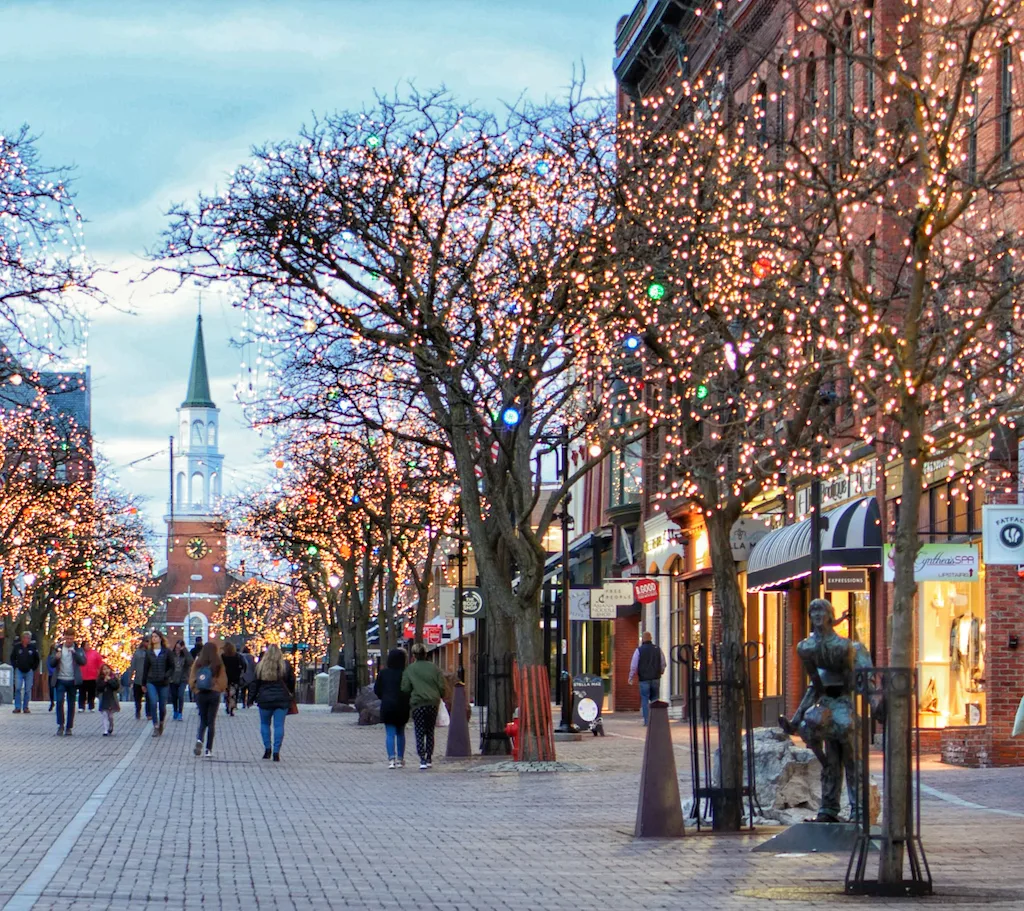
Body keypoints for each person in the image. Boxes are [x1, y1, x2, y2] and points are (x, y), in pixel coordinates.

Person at [780, 598, 872, 823]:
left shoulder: (848, 647)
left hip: (844, 704)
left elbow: (861, 682)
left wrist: (873, 701)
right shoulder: (809, 648)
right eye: (813, 612)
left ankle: (859, 809)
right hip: (827, 705)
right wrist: (796, 718)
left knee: (852, 759)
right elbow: (815, 687)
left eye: (821, 611)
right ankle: (829, 808)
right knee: (830, 760)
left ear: (831, 615)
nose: (817, 615)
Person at [401, 643, 446, 770]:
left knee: (419, 731)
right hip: (432, 703)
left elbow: (405, 688)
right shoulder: (434, 668)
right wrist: (440, 695)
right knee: (430, 731)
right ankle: (429, 757)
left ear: (414, 655)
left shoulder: (410, 669)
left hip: (418, 703)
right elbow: (442, 686)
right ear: (426, 654)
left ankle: (422, 759)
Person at [251, 644, 295, 762]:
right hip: (281, 700)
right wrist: (290, 693)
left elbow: (255, 684)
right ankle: (276, 752)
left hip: (265, 699)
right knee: (279, 725)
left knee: (265, 724)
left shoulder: (261, 666)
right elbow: (291, 681)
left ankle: (267, 749)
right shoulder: (285, 666)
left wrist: (251, 698)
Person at [374, 647, 411, 769]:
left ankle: (391, 759)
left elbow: (377, 689)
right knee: (401, 733)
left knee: (390, 733)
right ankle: (400, 759)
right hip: (402, 706)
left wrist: (383, 697)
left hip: (388, 706)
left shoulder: (383, 673)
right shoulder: (405, 673)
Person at [189, 641, 227, 757]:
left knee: (203, 719)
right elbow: (223, 679)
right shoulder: (218, 662)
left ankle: (200, 739)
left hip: (201, 693)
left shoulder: (198, 662)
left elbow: (192, 677)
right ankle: (208, 749)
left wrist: (195, 689)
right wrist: (218, 688)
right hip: (213, 694)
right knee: (211, 722)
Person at [48, 632, 85, 736]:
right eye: (67, 638)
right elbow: (51, 663)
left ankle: (69, 727)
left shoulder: (77, 649)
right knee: (59, 702)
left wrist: (75, 654)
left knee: (71, 704)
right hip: (60, 679)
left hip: (72, 680)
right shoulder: (58, 649)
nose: (69, 641)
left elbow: (83, 662)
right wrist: (56, 658)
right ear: (64, 638)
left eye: (71, 639)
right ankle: (60, 725)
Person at [628, 631, 667, 726]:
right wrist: (661, 671)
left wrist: (631, 677)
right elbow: (663, 663)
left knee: (645, 699)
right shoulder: (658, 649)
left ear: (643, 639)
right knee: (655, 699)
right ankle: (655, 720)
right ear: (651, 638)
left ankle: (647, 721)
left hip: (644, 679)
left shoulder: (639, 650)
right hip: (656, 678)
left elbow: (634, 665)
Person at [142, 631, 174, 736]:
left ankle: (161, 723)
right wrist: (143, 683)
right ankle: (155, 725)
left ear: (160, 638)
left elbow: (172, 667)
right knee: (153, 702)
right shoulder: (149, 652)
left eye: (156, 637)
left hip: (163, 682)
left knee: (162, 706)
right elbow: (145, 668)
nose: (154, 639)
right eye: (153, 637)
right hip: (151, 681)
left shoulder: (167, 652)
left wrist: (167, 675)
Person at [10, 632, 39, 714]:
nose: (27, 640)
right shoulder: (17, 647)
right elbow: (12, 658)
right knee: (18, 688)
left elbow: (37, 659)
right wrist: (15, 666)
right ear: (22, 638)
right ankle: (17, 707)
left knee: (27, 689)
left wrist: (33, 668)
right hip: (19, 670)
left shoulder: (33, 648)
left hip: (29, 671)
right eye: (25, 638)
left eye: (28, 638)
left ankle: (26, 707)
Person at [168, 640, 192, 721]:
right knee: (174, 696)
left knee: (180, 695)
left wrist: (184, 650)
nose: (177, 649)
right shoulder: (171, 655)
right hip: (173, 679)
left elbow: (190, 661)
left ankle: (180, 713)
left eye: (179, 648)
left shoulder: (185, 655)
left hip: (183, 679)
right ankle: (175, 710)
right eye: (177, 647)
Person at [96, 663, 121, 736]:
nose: (106, 671)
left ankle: (111, 725)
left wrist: (110, 680)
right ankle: (105, 730)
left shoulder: (113, 678)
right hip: (103, 699)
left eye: (107, 669)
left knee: (110, 716)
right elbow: (99, 688)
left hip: (111, 698)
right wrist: (104, 681)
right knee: (104, 714)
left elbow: (116, 686)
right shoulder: (100, 679)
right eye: (104, 669)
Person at [221, 641, 244, 716]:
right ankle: (232, 707)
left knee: (227, 693)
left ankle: (227, 705)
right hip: (235, 677)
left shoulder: (223, 656)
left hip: (225, 677)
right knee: (234, 693)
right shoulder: (237, 656)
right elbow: (243, 665)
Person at [78, 641, 103, 712]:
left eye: (89, 645)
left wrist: (100, 672)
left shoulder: (95, 653)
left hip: (92, 676)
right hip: (82, 676)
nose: (88, 646)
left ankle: (91, 706)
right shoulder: (80, 653)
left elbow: (100, 663)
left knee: (91, 693)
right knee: (82, 692)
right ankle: (81, 706)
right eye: (86, 645)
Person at [129, 637, 149, 720]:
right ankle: (138, 711)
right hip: (138, 679)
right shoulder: (137, 653)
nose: (147, 643)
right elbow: (133, 665)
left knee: (149, 698)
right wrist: (130, 677)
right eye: (146, 641)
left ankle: (149, 713)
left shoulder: (151, 653)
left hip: (148, 679)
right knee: (138, 698)